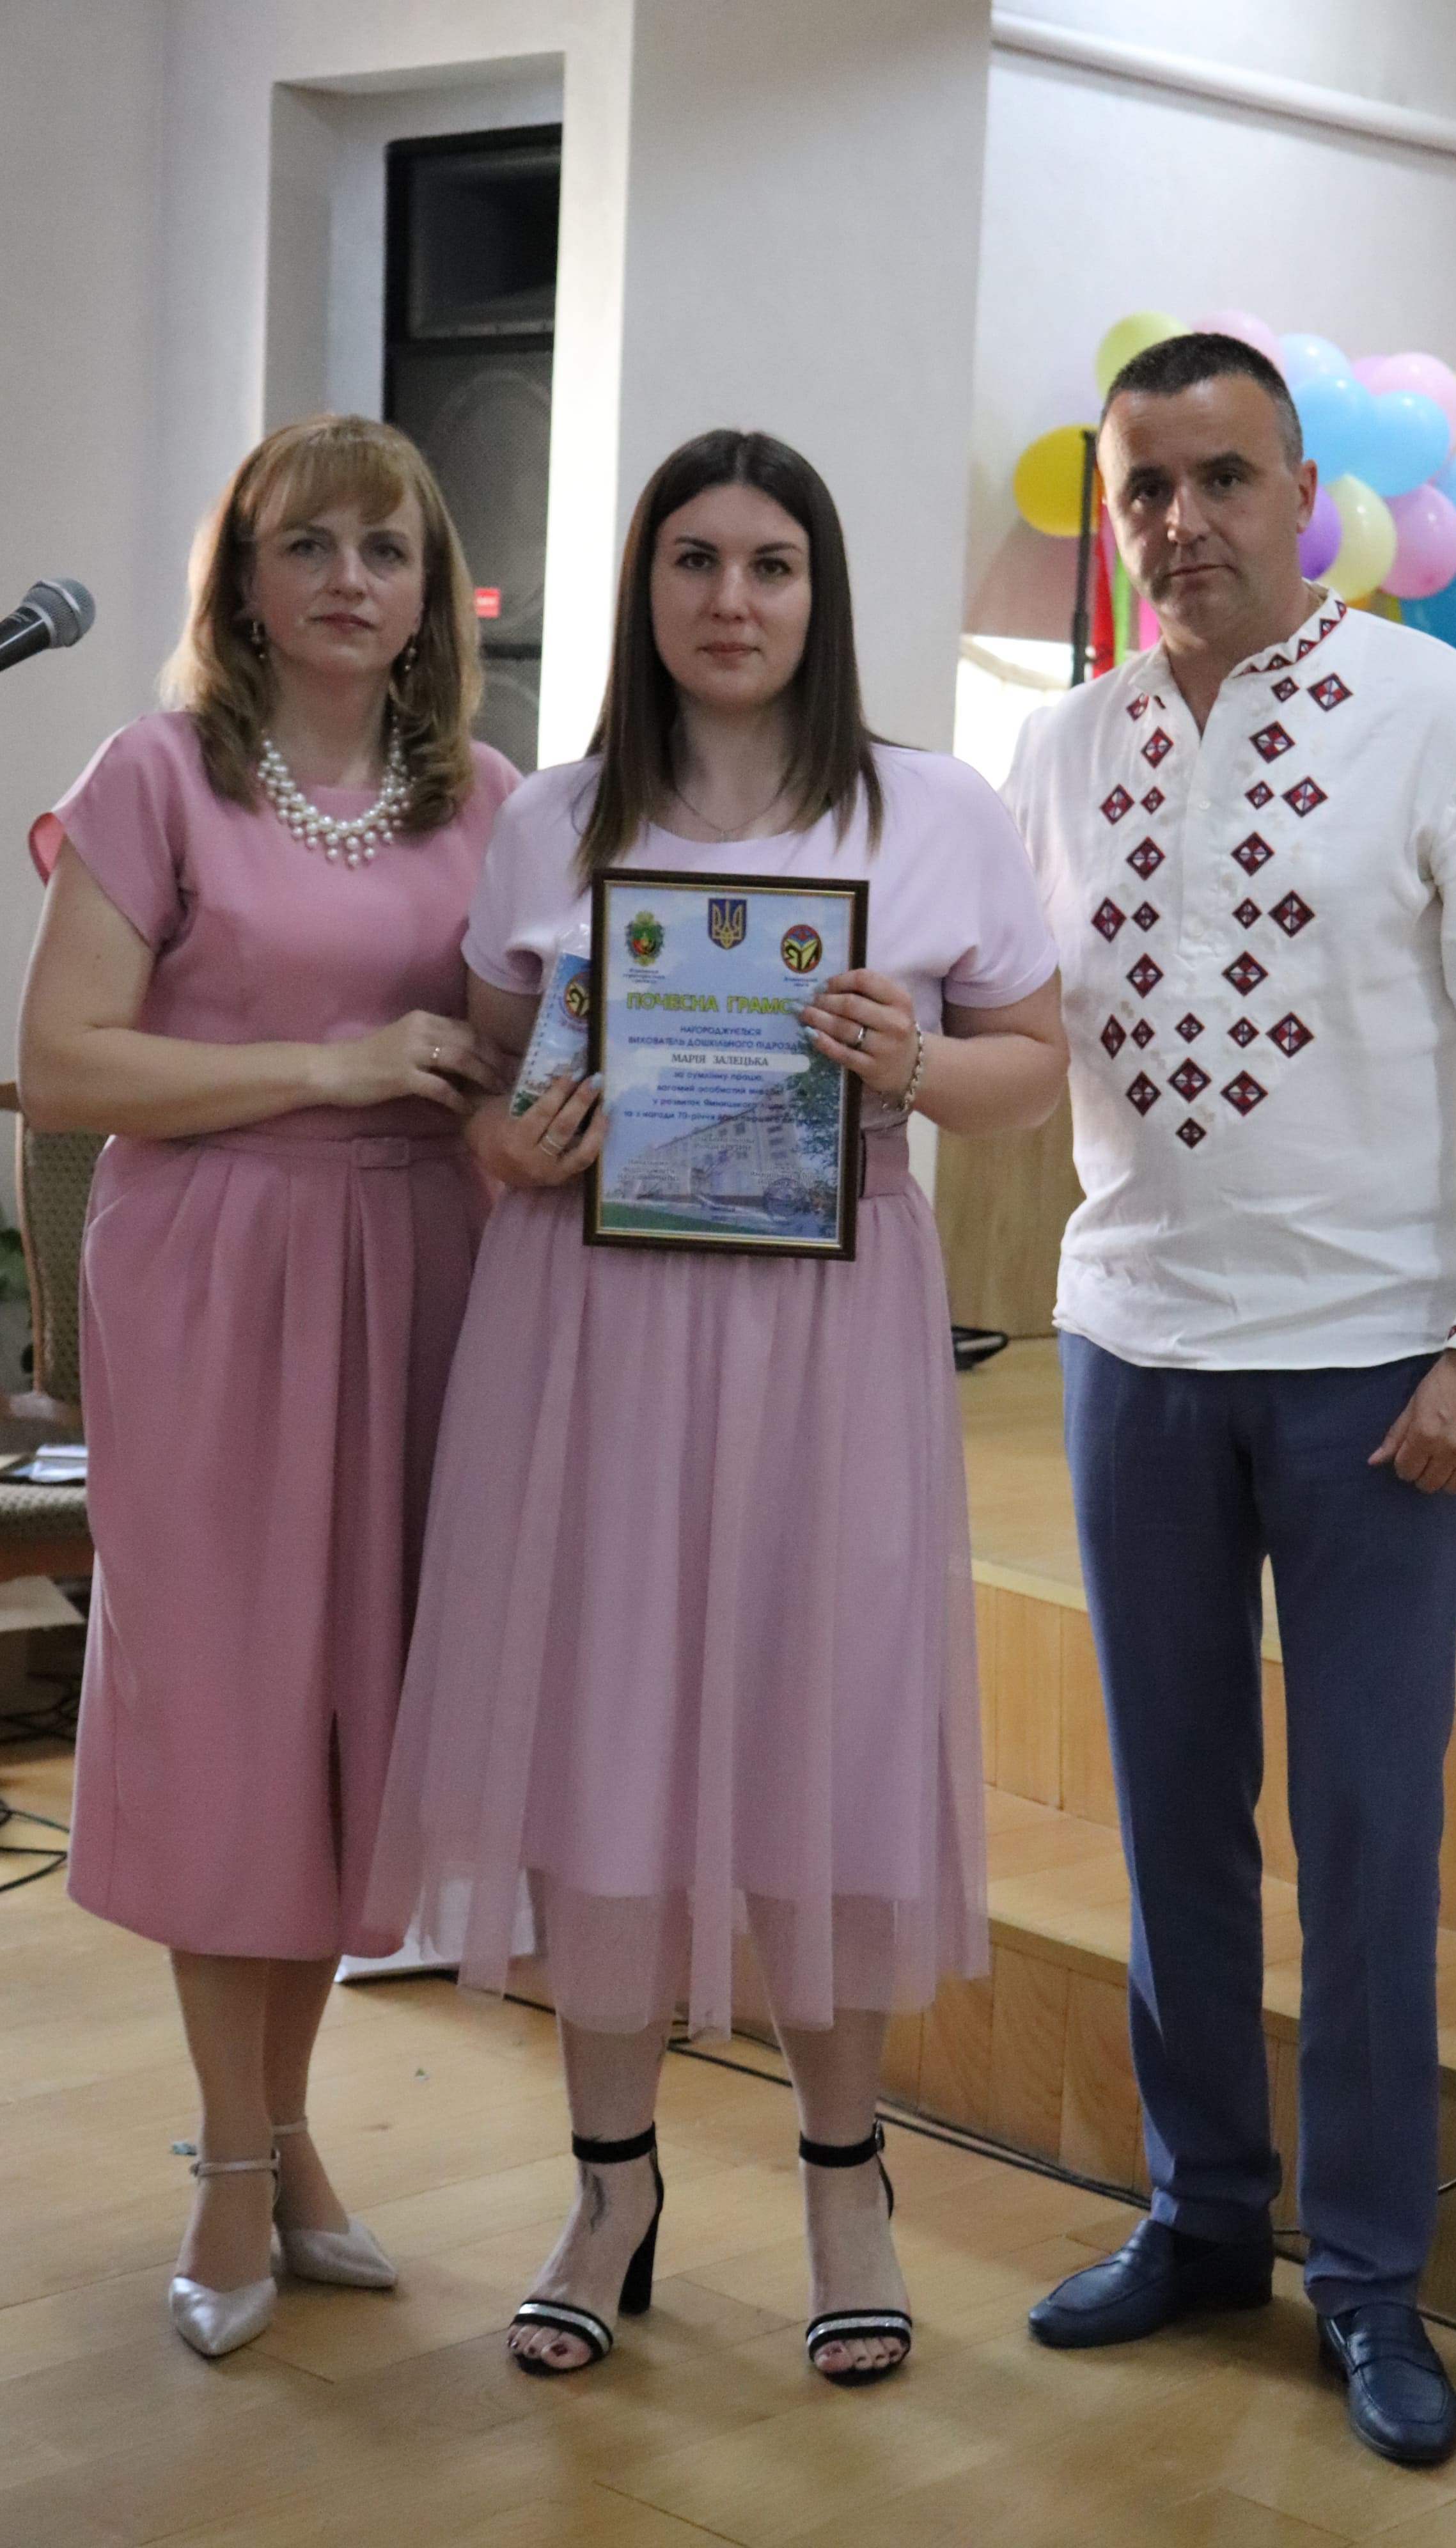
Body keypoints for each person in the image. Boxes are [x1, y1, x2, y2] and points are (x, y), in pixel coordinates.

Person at [367, 426, 1067, 2383]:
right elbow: (492, 1091)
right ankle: (611, 2189)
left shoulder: (930, 812)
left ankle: (849, 2181)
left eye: (771, 565)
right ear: (643, 590)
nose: (732, 601)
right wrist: (516, 1144)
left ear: (820, 595)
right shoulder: (552, 817)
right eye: (694, 561)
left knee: (824, 1719)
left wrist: (914, 1065)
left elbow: (1033, 1067)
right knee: (600, 1724)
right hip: (587, 1318)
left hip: (830, 1322)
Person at [1005, 334, 1456, 2465]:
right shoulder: (1060, 750)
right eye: (1146, 487)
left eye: (1223, 477)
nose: (1183, 520)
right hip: (1133, 1351)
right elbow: (1005, 1023)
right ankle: (1203, 2219)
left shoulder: (1439, 718)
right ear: (1114, 517)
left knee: (1368, 1836)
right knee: (1171, 1817)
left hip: (1378, 1373)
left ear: (1305, 496)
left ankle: (1369, 2278)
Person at [17, 414, 519, 2360]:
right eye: (306, 545)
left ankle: (289, 2138)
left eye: (386, 550)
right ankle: (234, 2164)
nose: (348, 581)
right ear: (239, 581)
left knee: (340, 1727)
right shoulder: (156, 774)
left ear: (430, 592)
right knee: (225, 1719)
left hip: (421, 1272)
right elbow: (68, 1064)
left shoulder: (488, 796)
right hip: (214, 1276)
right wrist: (331, 1066)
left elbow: (529, 1038)